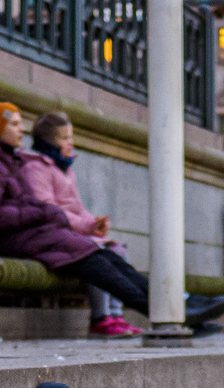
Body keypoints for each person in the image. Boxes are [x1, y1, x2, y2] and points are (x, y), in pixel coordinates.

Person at [0, 103, 224, 332]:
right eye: (15, 124)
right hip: (12, 240)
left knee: (106, 257)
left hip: (32, 235)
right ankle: (171, 313)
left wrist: (50, 214)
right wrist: (45, 212)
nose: (22, 130)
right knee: (98, 262)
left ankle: (178, 307)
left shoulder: (7, 161)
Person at [18, 111, 139, 337]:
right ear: (48, 142)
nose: (71, 143)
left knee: (118, 249)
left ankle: (116, 315)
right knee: (96, 254)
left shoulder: (65, 170)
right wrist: (87, 227)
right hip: (56, 236)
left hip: (74, 232)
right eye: (65, 138)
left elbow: (77, 208)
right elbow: (49, 209)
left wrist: (94, 222)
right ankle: (100, 317)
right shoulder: (35, 168)